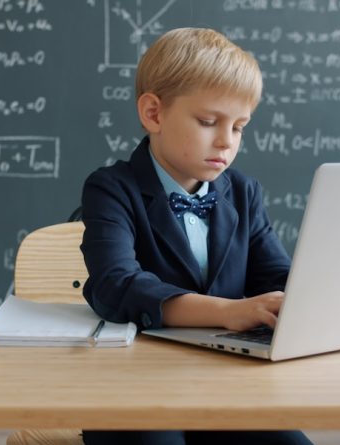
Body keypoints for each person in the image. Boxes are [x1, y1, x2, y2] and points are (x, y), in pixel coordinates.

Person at [79, 27, 313, 445]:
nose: (227, 141)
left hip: (228, 387)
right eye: (209, 122)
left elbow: (275, 273)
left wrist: (301, 297)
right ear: (154, 114)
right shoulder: (111, 188)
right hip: (133, 390)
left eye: (239, 127)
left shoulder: (242, 192)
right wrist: (228, 312)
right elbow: (116, 286)